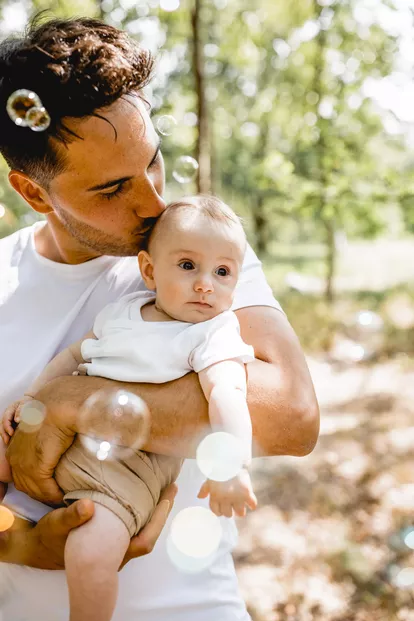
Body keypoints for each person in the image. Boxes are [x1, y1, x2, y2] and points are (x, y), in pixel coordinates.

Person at [0, 16, 319, 621]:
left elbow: (295, 415)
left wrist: (69, 402)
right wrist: (18, 543)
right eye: (111, 189)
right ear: (35, 193)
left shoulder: (198, 257)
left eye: (153, 161)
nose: (153, 202)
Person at [1, 196, 259, 621]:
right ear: (149, 271)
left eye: (223, 272)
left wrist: (231, 466)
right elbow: (74, 354)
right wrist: (32, 398)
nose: (205, 284)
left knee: (90, 552)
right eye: (188, 266)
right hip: (62, 438)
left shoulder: (212, 333)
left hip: (130, 467)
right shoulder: (123, 311)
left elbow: (227, 395)